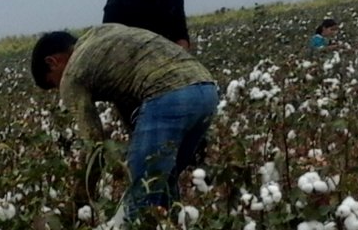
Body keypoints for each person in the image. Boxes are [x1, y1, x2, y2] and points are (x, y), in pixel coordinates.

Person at [31, 24, 218, 218]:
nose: (59, 89)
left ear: (52, 62)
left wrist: (79, 200)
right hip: (207, 90)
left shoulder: (72, 74)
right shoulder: (102, 35)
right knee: (164, 183)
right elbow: (126, 99)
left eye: (54, 83)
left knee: (142, 193)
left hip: (168, 95)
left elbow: (95, 146)